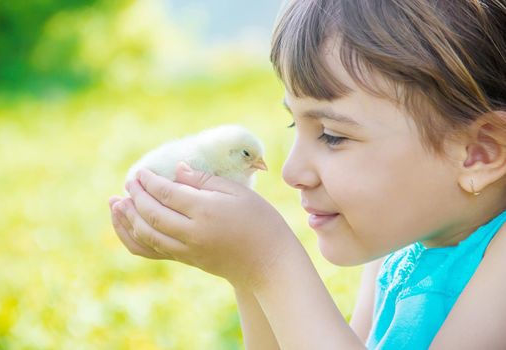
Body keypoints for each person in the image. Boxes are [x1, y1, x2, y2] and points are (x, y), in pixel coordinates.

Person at [108, 0, 506, 348]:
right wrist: (245, 273)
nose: (291, 171)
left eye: (332, 136)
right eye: (293, 126)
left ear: (479, 153)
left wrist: (270, 263)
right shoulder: (399, 249)